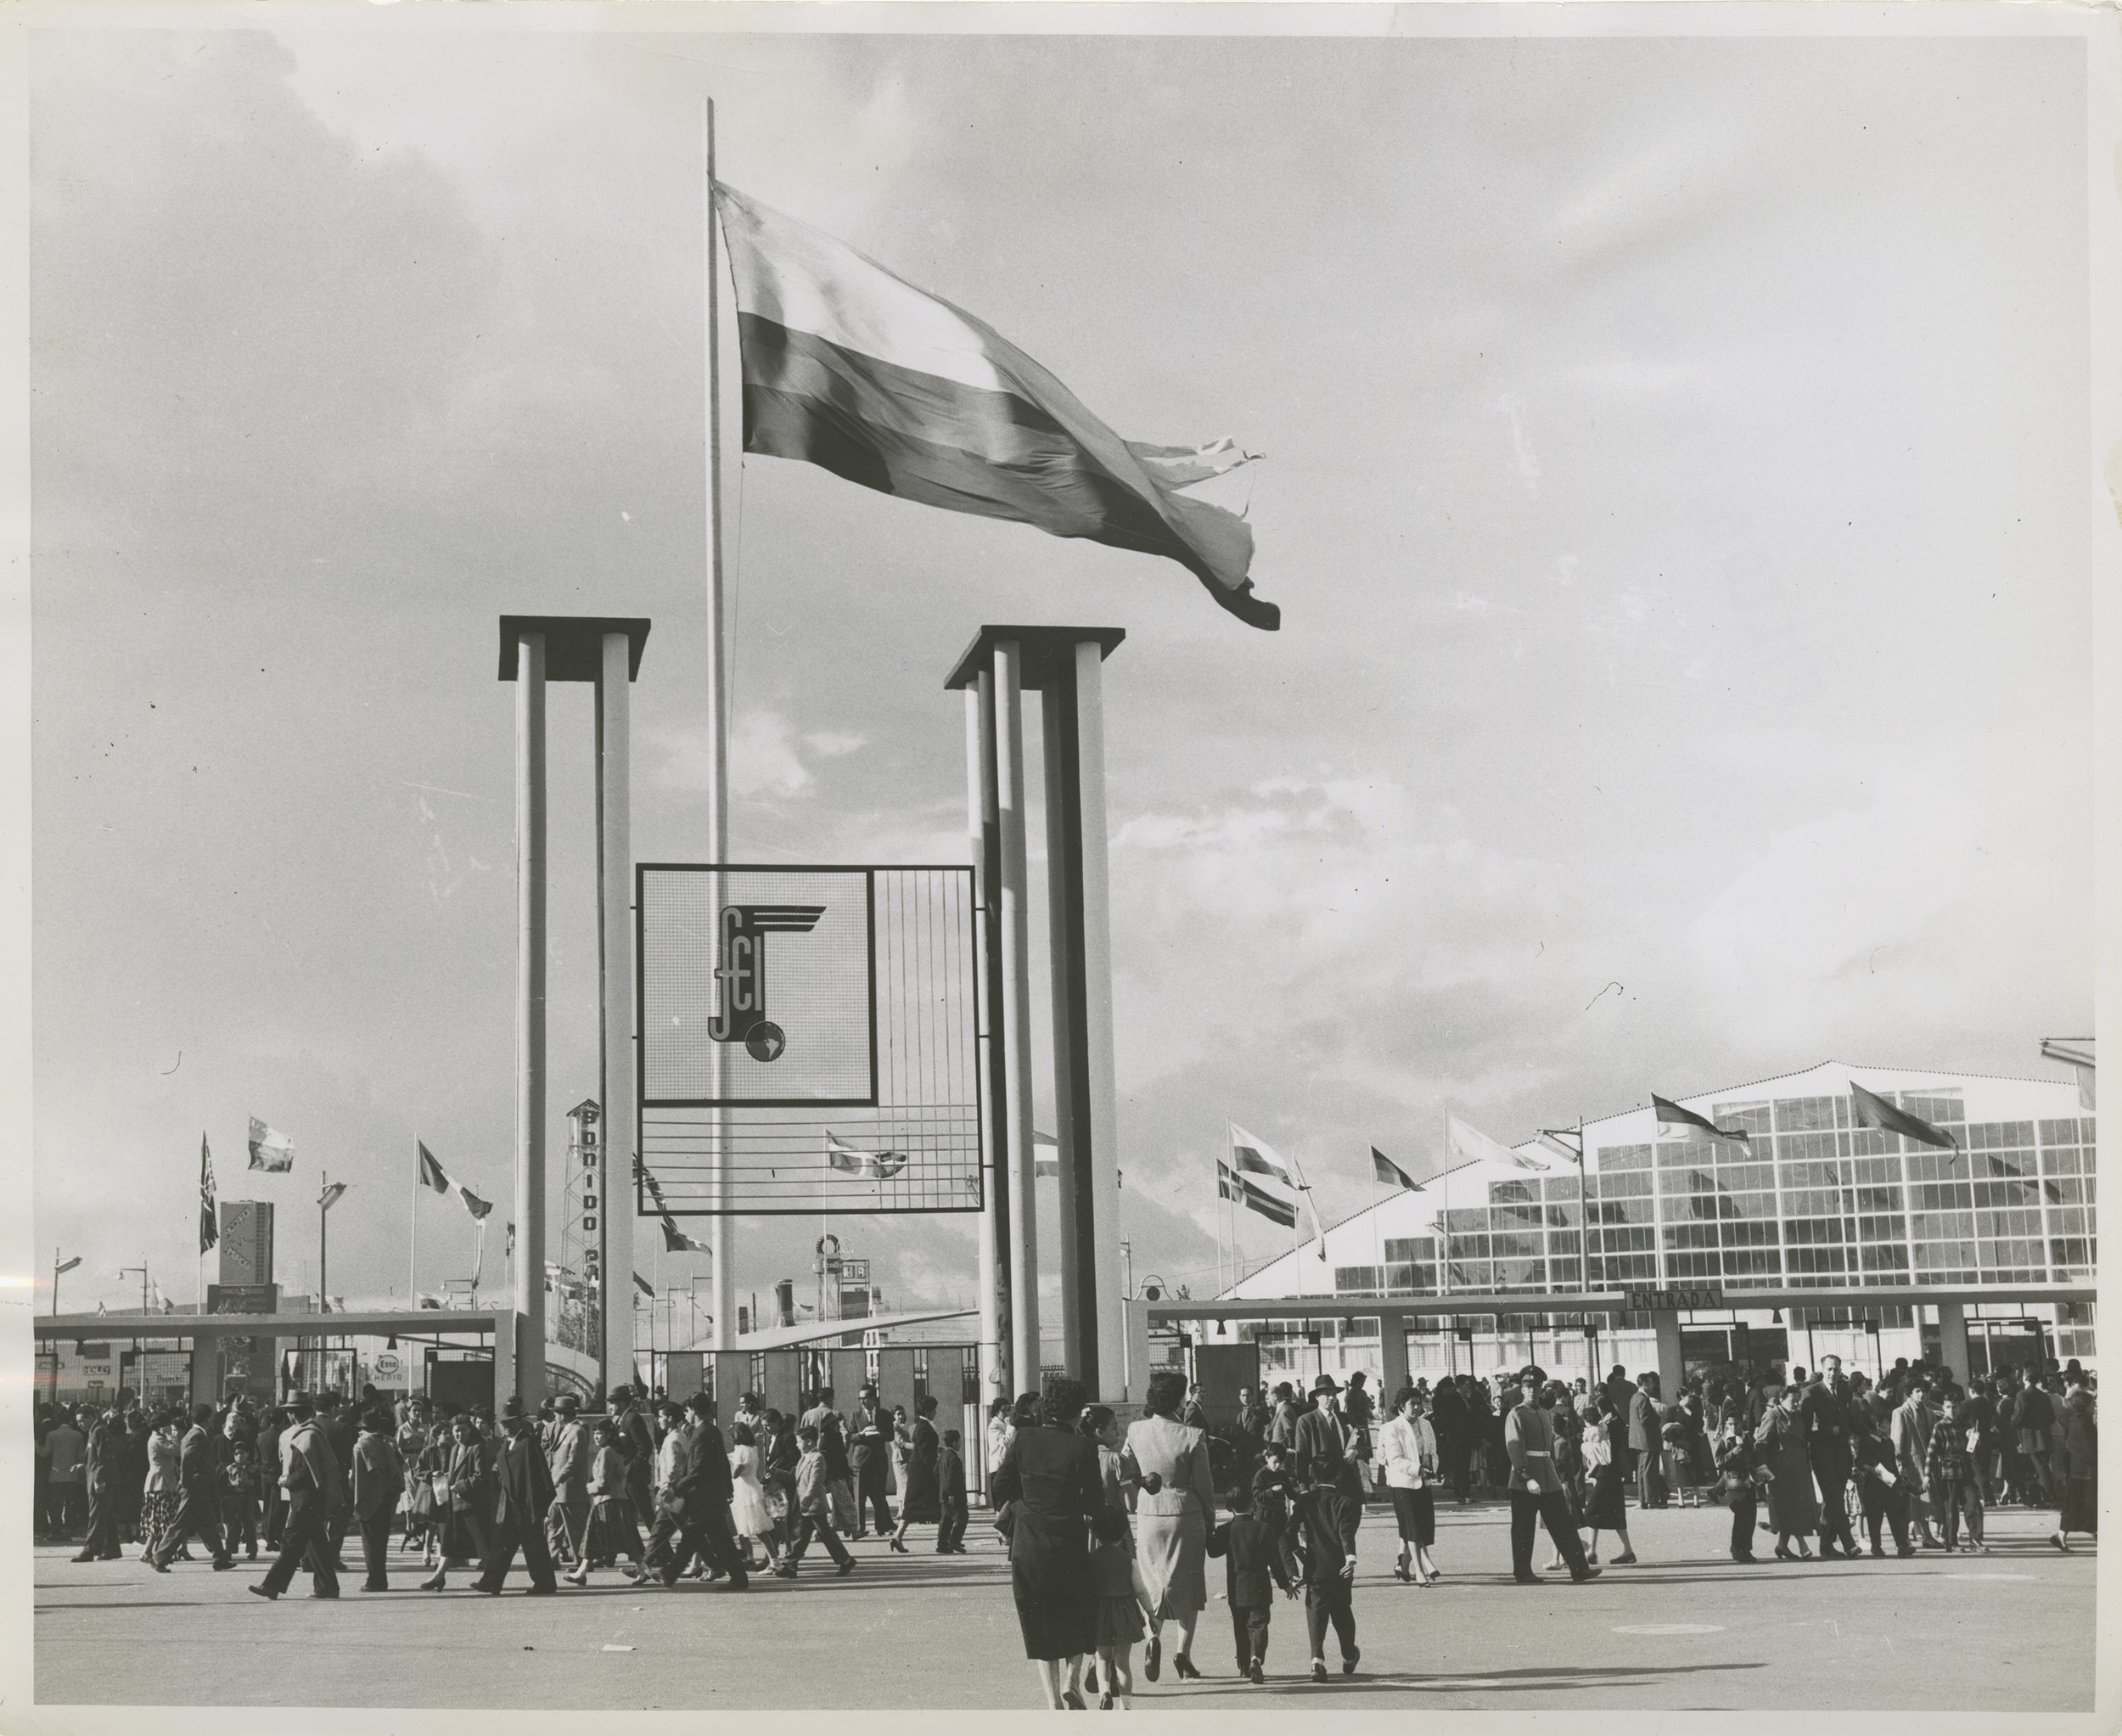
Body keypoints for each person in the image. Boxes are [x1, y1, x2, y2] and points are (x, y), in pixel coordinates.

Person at [992, 1381, 1103, 1711]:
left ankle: (1054, 1704)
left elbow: (1000, 1484)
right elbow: (1095, 1503)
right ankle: (1073, 1679)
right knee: (1078, 1612)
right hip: (1068, 1541)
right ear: (1078, 1412)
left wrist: (1023, 1508)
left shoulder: (1024, 1438)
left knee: (1039, 1620)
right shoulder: (1083, 1447)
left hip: (1027, 1544)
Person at [1122, 1368, 1216, 1684]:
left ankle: (1152, 1637)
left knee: (1152, 1583)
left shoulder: (1135, 1431)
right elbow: (1204, 1484)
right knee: (1187, 1586)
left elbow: (1126, 1469)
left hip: (1148, 1513)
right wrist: (1210, 1515)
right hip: (1184, 1514)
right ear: (1178, 1398)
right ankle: (1183, 1654)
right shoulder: (1192, 1435)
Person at [1502, 1366, 1597, 1586]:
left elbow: (1550, 1450)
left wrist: (1558, 1477)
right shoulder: (1516, 1414)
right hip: (1526, 1479)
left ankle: (1579, 1568)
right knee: (1523, 1527)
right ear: (1522, 1390)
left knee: (1563, 1523)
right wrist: (1526, 1477)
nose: (1532, 1391)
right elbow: (1515, 1448)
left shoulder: (1545, 1413)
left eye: (1536, 1387)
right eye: (1528, 1387)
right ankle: (1523, 1571)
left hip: (1548, 1476)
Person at [649, 1394, 749, 1590]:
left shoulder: (702, 1433)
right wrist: (727, 1489)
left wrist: (676, 1487)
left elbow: (699, 1469)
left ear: (694, 1411)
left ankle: (671, 1573)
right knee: (711, 1539)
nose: (685, 1415)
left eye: (687, 1411)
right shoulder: (711, 1431)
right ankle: (672, 1574)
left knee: (699, 1538)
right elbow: (722, 1464)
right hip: (711, 1497)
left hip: (704, 1498)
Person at [249, 1395, 345, 1600]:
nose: (291, 1415)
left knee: (291, 1542)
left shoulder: (307, 1436)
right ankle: (327, 1587)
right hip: (312, 1499)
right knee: (318, 1545)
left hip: (305, 1499)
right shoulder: (312, 1434)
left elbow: (305, 1472)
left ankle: (271, 1585)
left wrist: (286, 1480)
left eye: (292, 1411)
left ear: (294, 1414)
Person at [1207, 1481, 1293, 1684]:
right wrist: (1285, 1584)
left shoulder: (1226, 1530)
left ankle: (1244, 1666)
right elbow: (1275, 1560)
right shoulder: (1263, 1528)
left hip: (1236, 1588)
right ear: (1252, 1505)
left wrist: (1209, 1528)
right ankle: (1257, 1657)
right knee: (1259, 1624)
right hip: (1260, 1587)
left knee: (1240, 1627)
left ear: (1229, 1508)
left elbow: (1212, 1552)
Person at [473, 1397, 559, 1595]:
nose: (505, 1427)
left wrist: (538, 1506)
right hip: (509, 1506)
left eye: (510, 1422)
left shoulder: (528, 1444)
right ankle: (490, 1583)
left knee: (534, 1547)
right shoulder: (505, 1446)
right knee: (502, 1546)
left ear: (519, 1421)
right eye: (503, 1424)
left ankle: (545, 1583)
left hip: (526, 1507)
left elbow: (540, 1476)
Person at [1295, 1441, 1361, 1682]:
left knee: (1315, 1611)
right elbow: (1346, 1532)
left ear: (1312, 1474)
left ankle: (1316, 1659)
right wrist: (1351, 1557)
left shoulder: (1305, 1501)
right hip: (1340, 1567)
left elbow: (1289, 1531)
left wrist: (1300, 1556)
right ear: (1338, 1474)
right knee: (1342, 1611)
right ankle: (1347, 1655)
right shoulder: (1347, 1503)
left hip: (1314, 1566)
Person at [146, 1403, 233, 1572]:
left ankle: (220, 1557)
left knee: (207, 1523)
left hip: (197, 1487)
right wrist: (188, 1484)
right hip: (194, 1488)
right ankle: (159, 1558)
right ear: (208, 1418)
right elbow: (188, 1462)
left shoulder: (194, 1434)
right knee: (180, 1524)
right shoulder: (197, 1435)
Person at [418, 1413, 493, 1591]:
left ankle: (491, 1579)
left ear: (470, 1430)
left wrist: (459, 1487)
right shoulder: (454, 1449)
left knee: (483, 1546)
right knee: (449, 1544)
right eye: (456, 1431)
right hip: (455, 1505)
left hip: (472, 1505)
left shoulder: (477, 1448)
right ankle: (439, 1576)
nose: (459, 1434)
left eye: (463, 1430)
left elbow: (481, 1477)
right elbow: (452, 1475)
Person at [570, 1418, 649, 1586]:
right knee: (623, 1540)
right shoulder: (611, 1451)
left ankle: (582, 1572)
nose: (596, 1437)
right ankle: (582, 1572)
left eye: (600, 1434)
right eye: (595, 1434)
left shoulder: (606, 1453)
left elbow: (604, 1483)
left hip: (607, 1502)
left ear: (609, 1435)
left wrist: (588, 1487)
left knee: (597, 1537)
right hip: (613, 1501)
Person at [1376, 1385, 1440, 1585]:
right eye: (1412, 1404)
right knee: (1413, 1529)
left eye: (1419, 1403)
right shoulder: (1391, 1428)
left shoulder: (1425, 1425)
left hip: (1423, 1481)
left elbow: (1433, 1452)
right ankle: (1420, 1571)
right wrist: (1417, 1469)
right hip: (1402, 1484)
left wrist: (1432, 1468)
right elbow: (1394, 1458)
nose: (1417, 1407)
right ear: (1402, 1406)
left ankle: (1403, 1562)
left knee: (1424, 1529)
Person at [1802, 1356, 1861, 1559]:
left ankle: (1826, 1546)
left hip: (1842, 1454)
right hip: (1822, 1454)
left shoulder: (1845, 1391)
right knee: (1834, 1499)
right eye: (1829, 1369)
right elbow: (1807, 1426)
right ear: (1822, 1369)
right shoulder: (1811, 1392)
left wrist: (1869, 1432)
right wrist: (1829, 1431)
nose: (1832, 1373)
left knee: (1831, 1501)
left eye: (1836, 1369)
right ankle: (1849, 1543)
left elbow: (1849, 1420)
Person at [1088, 1506, 1145, 1706]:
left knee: (1102, 1658)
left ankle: (1104, 1691)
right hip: (1125, 1614)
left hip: (1100, 1614)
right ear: (1123, 1534)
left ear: (1094, 1533)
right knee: (1123, 1662)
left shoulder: (1090, 1560)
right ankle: (1126, 1704)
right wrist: (1151, 1615)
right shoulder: (1129, 1561)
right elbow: (1141, 1591)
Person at [1755, 1385, 1817, 1560]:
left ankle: (1782, 1546)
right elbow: (1760, 1444)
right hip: (1780, 1472)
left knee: (1794, 1510)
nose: (1797, 1404)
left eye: (1798, 1400)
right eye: (1793, 1400)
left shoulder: (1797, 1416)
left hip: (1798, 1470)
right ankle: (1802, 1545)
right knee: (1789, 1510)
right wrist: (1764, 1473)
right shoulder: (1773, 1416)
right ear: (1781, 1400)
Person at [785, 1424, 856, 1577]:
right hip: (807, 1505)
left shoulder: (817, 1458)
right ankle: (791, 1564)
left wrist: (806, 1501)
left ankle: (846, 1560)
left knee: (825, 1535)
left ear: (809, 1442)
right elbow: (796, 1477)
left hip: (814, 1505)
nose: (797, 1445)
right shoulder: (805, 1458)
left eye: (799, 1441)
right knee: (802, 1534)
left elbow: (815, 1483)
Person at [350, 1407, 405, 1592]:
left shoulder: (361, 1445)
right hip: (388, 1496)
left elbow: (356, 1478)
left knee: (370, 1543)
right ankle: (381, 1579)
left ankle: (374, 1580)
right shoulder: (389, 1441)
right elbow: (399, 1468)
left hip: (369, 1498)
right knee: (381, 1542)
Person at [1924, 1388, 1985, 1553]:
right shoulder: (1940, 1427)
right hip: (1948, 1472)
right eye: (1949, 1407)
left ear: (1959, 1407)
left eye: (1955, 1407)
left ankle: (1975, 1539)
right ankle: (1952, 1542)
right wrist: (1927, 1475)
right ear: (1944, 1408)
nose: (1952, 1410)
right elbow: (1931, 1452)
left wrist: (1973, 1438)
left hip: (1965, 1470)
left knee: (1973, 1503)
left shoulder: (1965, 1424)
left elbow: (1972, 1450)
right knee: (1950, 1509)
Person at [1580, 1393, 1634, 1565]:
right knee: (1615, 1512)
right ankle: (1625, 1550)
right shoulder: (1613, 1423)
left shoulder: (1609, 1426)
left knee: (1591, 1510)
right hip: (1612, 1473)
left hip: (1606, 1472)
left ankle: (1591, 1549)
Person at [1891, 1375, 1942, 1549]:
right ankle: (1922, 1536)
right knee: (1917, 1501)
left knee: (1924, 1500)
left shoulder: (1929, 1412)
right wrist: (1899, 1463)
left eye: (1924, 1391)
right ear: (1910, 1393)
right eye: (1918, 1391)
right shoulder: (1901, 1412)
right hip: (1911, 1463)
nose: (1922, 1395)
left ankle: (1923, 1534)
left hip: (1927, 1462)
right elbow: (1897, 1441)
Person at [727, 1422, 784, 1572]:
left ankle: (757, 1559)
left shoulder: (740, 1451)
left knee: (750, 1527)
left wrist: (729, 1463)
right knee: (753, 1527)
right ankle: (769, 1560)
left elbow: (736, 1473)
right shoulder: (752, 1449)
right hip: (752, 1486)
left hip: (743, 1489)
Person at [891, 1394, 944, 1553]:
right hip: (923, 1472)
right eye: (934, 1409)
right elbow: (924, 1452)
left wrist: (936, 1451)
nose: (936, 1412)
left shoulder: (923, 1425)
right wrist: (935, 1466)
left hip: (919, 1470)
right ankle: (944, 1541)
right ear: (927, 1411)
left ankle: (897, 1537)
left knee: (912, 1506)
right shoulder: (923, 1427)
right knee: (940, 1506)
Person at [2052, 1369, 2097, 1552]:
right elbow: (2090, 1449)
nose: (2093, 1407)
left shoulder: (2075, 1420)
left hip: (2077, 1471)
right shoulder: (2084, 1424)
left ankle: (2061, 1536)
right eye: (2091, 1405)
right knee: (2089, 1504)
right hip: (2085, 1471)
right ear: (2084, 1406)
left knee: (2076, 1505)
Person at [1712, 1413, 1763, 1563]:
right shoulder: (1725, 1440)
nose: (1734, 1427)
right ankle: (1736, 1547)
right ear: (1726, 1425)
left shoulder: (1747, 1438)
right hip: (1734, 1483)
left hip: (1748, 1482)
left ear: (1742, 1423)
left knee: (1750, 1517)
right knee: (1741, 1516)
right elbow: (1718, 1462)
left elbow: (1754, 1457)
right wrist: (1731, 1454)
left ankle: (1746, 1549)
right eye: (1730, 1424)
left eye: (1736, 1424)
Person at [849, 1390, 895, 1541]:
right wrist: (862, 1434)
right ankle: (859, 1528)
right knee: (859, 1496)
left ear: (873, 1399)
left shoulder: (885, 1415)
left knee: (879, 1496)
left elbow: (891, 1436)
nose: (862, 1402)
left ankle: (882, 1526)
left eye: (865, 1398)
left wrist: (879, 1433)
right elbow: (850, 1436)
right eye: (860, 1398)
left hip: (878, 1461)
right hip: (861, 1462)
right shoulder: (855, 1415)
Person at [45, 1408, 86, 1543]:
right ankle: (70, 1530)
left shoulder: (52, 1435)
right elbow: (81, 1456)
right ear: (71, 1420)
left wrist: (34, 1444)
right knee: (71, 1504)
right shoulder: (78, 1435)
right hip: (72, 1474)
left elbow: (45, 1453)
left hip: (55, 1475)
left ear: (58, 1420)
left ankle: (56, 1532)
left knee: (56, 1506)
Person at [1628, 1372, 1666, 1509]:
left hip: (1638, 1441)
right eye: (1650, 1383)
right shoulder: (1643, 1399)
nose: (1653, 1385)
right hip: (1648, 1440)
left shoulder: (1634, 1398)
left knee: (1642, 1470)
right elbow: (1646, 1420)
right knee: (1650, 1471)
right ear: (1645, 1384)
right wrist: (1657, 1418)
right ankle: (1652, 1500)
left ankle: (1643, 1499)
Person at [937, 1427, 970, 1554]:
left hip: (943, 1492)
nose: (961, 1444)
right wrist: (951, 1494)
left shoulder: (944, 1455)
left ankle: (942, 1544)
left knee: (946, 1520)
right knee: (962, 1517)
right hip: (955, 1494)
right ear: (954, 1443)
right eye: (959, 1441)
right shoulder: (954, 1458)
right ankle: (954, 1540)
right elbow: (952, 1477)